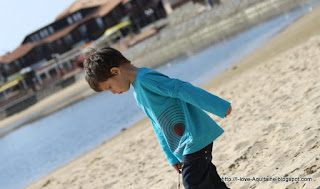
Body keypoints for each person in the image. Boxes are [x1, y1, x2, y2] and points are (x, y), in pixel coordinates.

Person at [84, 46, 231, 189]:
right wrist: (171, 156)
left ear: (115, 71)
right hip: (187, 143)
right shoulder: (138, 91)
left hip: (193, 137)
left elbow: (181, 88)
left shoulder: (146, 79)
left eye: (109, 87)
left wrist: (218, 105)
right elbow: (157, 124)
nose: (114, 92)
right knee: (210, 181)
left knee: (192, 182)